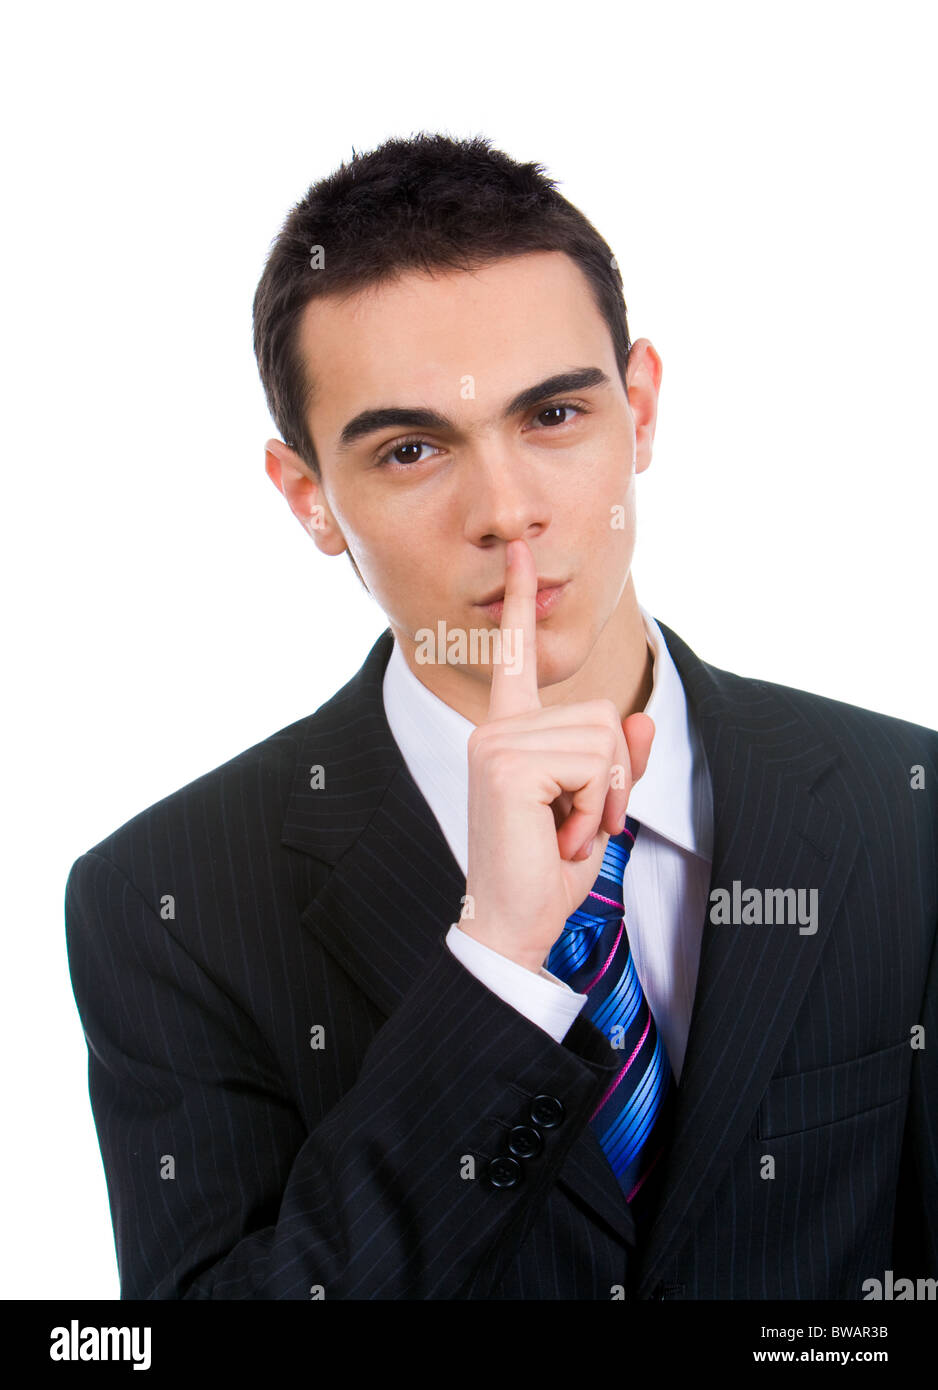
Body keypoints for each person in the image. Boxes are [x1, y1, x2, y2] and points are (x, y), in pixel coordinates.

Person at [64, 132, 938, 1300]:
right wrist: (497, 968)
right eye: (411, 448)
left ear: (639, 408)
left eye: (554, 417)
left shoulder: (902, 809)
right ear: (309, 499)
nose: (506, 511)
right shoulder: (164, 899)